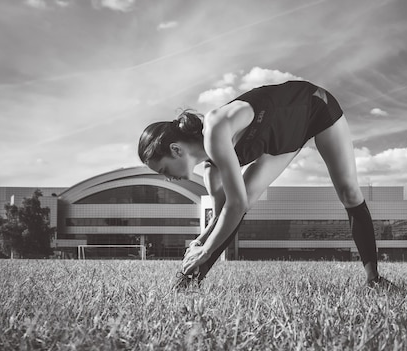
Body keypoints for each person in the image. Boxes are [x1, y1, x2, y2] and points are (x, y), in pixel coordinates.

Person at [138, 80, 392, 289]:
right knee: (243, 199)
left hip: (313, 106)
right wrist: (200, 241)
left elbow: (235, 206)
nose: (168, 178)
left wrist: (204, 252)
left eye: (164, 170)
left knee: (349, 192)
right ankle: (188, 284)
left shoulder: (215, 128)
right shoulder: (210, 170)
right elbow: (222, 217)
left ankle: (374, 279)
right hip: (283, 141)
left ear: (176, 149)